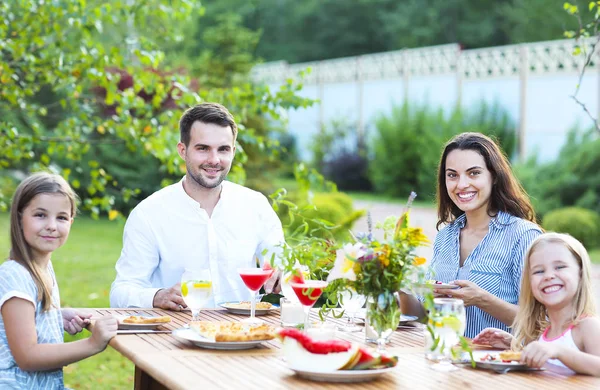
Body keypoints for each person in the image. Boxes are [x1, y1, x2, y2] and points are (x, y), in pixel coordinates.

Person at [110, 103, 284, 310]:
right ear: (182, 151)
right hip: (173, 337)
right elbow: (121, 291)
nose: (214, 160)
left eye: (223, 149)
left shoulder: (256, 206)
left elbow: (283, 264)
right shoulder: (148, 214)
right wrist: (156, 296)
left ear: (233, 152)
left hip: (243, 332)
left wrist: (285, 274)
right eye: (203, 148)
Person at [400, 132, 542, 338]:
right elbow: (424, 316)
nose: (462, 184)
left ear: (493, 176)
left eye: (473, 173)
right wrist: (396, 284)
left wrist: (481, 299)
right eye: (452, 175)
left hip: (500, 365)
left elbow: (540, 323)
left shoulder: (523, 236)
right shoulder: (446, 237)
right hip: (449, 362)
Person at [0, 172, 117, 389]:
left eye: (61, 217)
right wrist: (92, 343)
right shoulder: (14, 275)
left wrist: (55, 317)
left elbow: (24, 318)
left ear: (71, 221)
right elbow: (27, 355)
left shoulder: (42, 267)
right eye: (40, 215)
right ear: (19, 217)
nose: (52, 225)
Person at [473, 233, 600, 374]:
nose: (549, 276)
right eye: (539, 271)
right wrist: (516, 348)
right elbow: (553, 369)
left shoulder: (587, 325)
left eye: (560, 267)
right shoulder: (546, 333)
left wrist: (559, 351)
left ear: (580, 273)